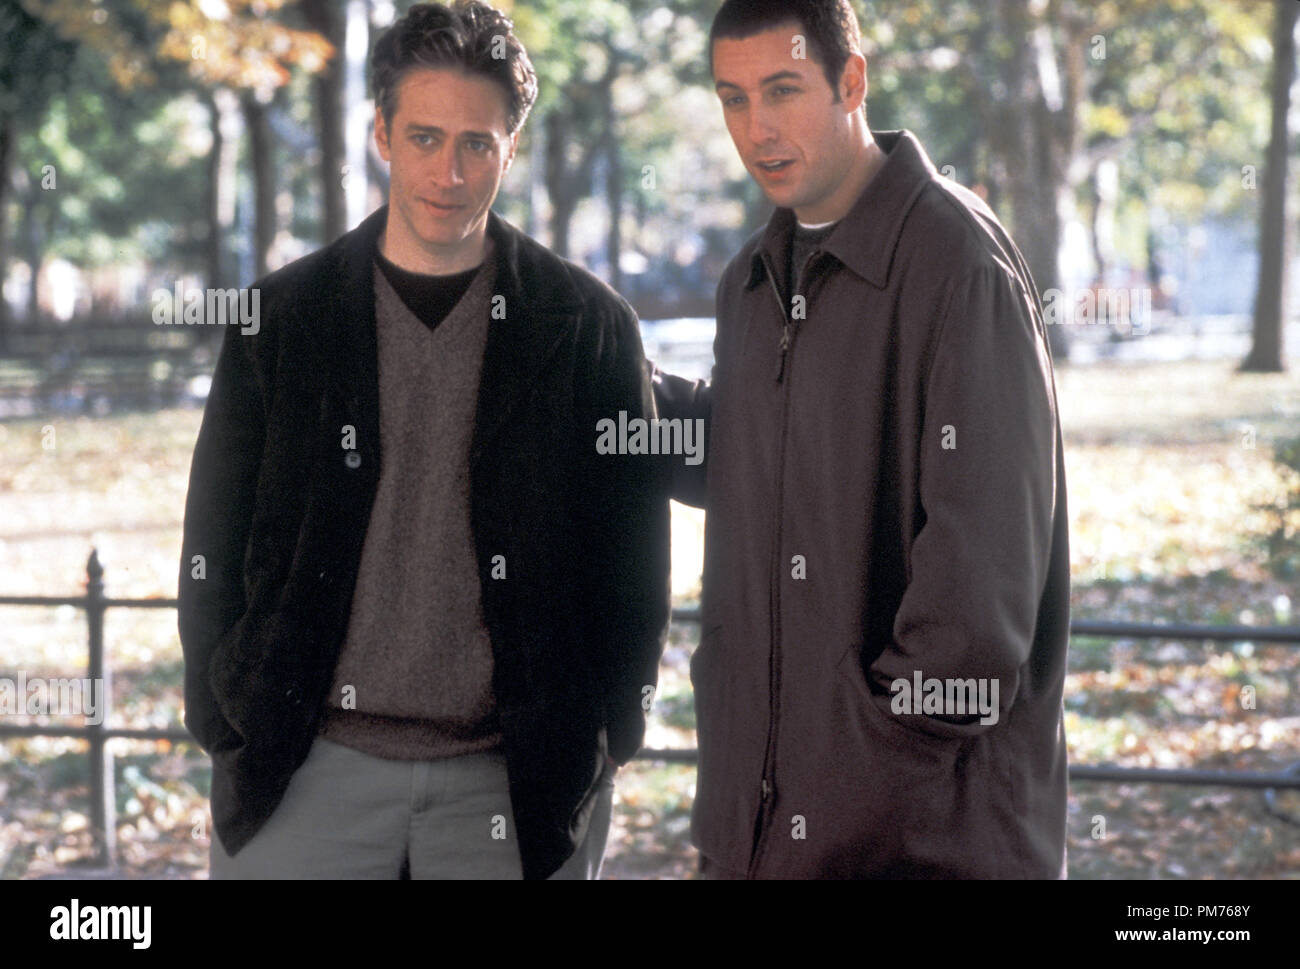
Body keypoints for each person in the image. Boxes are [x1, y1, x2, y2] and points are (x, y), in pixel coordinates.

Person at [178, 0, 670, 880]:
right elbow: (211, 538)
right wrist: (225, 718)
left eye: (477, 143)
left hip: (510, 783)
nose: (449, 170)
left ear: (508, 150)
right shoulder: (280, 320)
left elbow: (632, 564)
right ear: (381, 134)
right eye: (425, 137)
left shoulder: (586, 327)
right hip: (302, 766)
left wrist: (609, 736)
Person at [653, 0, 1071, 878]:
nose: (757, 129)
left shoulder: (958, 264)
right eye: (733, 98)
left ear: (852, 80)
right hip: (757, 839)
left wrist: (864, 770)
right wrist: (589, 374)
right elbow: (756, 458)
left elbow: (979, 601)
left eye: (782, 90)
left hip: (915, 844)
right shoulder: (752, 281)